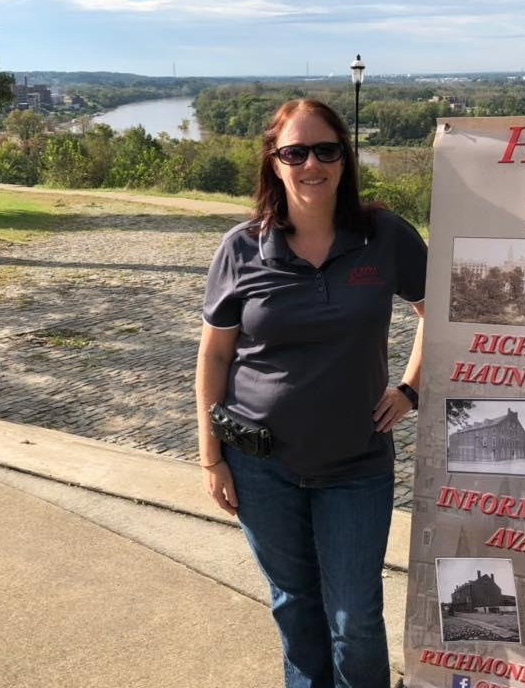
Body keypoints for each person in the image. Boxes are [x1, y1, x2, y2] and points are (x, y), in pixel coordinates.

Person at [195, 98, 426, 688]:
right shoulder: (242, 248)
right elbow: (215, 355)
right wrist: (212, 457)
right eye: (295, 153)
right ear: (274, 163)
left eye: (326, 150)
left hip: (356, 465)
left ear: (345, 158)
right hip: (260, 466)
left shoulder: (384, 236)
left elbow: (441, 313)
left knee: (355, 619)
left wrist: (410, 388)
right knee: (295, 605)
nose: (311, 165)